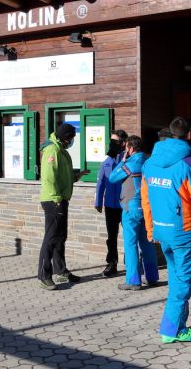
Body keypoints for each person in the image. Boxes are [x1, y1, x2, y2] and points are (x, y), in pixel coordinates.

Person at [141, 116, 191, 343]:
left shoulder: (149, 163)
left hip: (162, 231)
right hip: (184, 231)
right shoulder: (189, 163)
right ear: (190, 134)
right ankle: (171, 329)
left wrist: (150, 229)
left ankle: (179, 323)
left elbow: (145, 200)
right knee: (185, 281)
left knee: (177, 278)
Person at [37, 123, 89, 290]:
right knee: (51, 238)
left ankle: (61, 271)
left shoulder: (60, 149)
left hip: (60, 199)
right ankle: (44, 276)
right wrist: (57, 198)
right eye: (72, 137)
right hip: (54, 200)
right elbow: (49, 177)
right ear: (66, 138)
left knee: (60, 237)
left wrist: (76, 176)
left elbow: (62, 176)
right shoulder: (53, 150)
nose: (73, 140)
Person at [109, 135, 159, 290]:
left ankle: (133, 281)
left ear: (130, 148)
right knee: (147, 243)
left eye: (126, 148)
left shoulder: (130, 162)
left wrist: (123, 161)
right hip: (147, 208)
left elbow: (112, 177)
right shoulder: (149, 161)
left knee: (131, 245)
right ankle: (152, 277)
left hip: (131, 207)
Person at [94, 130, 128, 277]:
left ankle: (132, 262)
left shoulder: (128, 160)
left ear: (123, 142)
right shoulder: (106, 162)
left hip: (125, 204)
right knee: (111, 236)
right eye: (111, 141)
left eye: (115, 141)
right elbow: (100, 183)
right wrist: (98, 201)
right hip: (110, 205)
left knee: (130, 234)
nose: (111, 144)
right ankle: (112, 263)